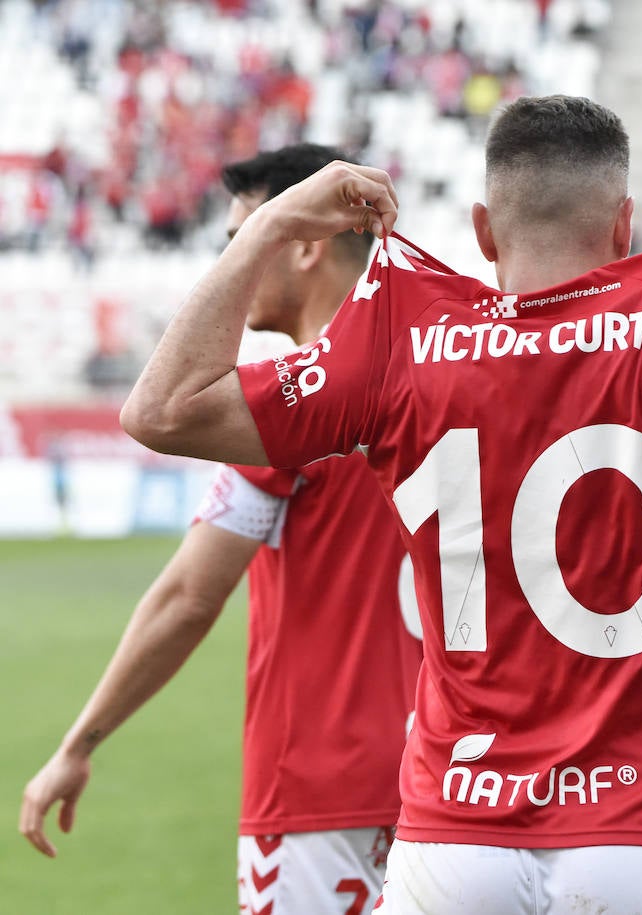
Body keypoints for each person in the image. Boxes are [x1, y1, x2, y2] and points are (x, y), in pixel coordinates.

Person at [117, 95, 642, 914]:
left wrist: (268, 227)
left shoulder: (401, 340)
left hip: (456, 830)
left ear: (484, 232)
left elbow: (161, 410)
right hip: (641, 830)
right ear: (624, 227)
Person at [19, 144, 423, 915]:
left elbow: (187, 598)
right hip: (457, 789)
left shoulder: (290, 414)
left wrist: (78, 744)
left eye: (244, 238)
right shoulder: (446, 377)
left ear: (303, 243)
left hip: (320, 797)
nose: (231, 261)